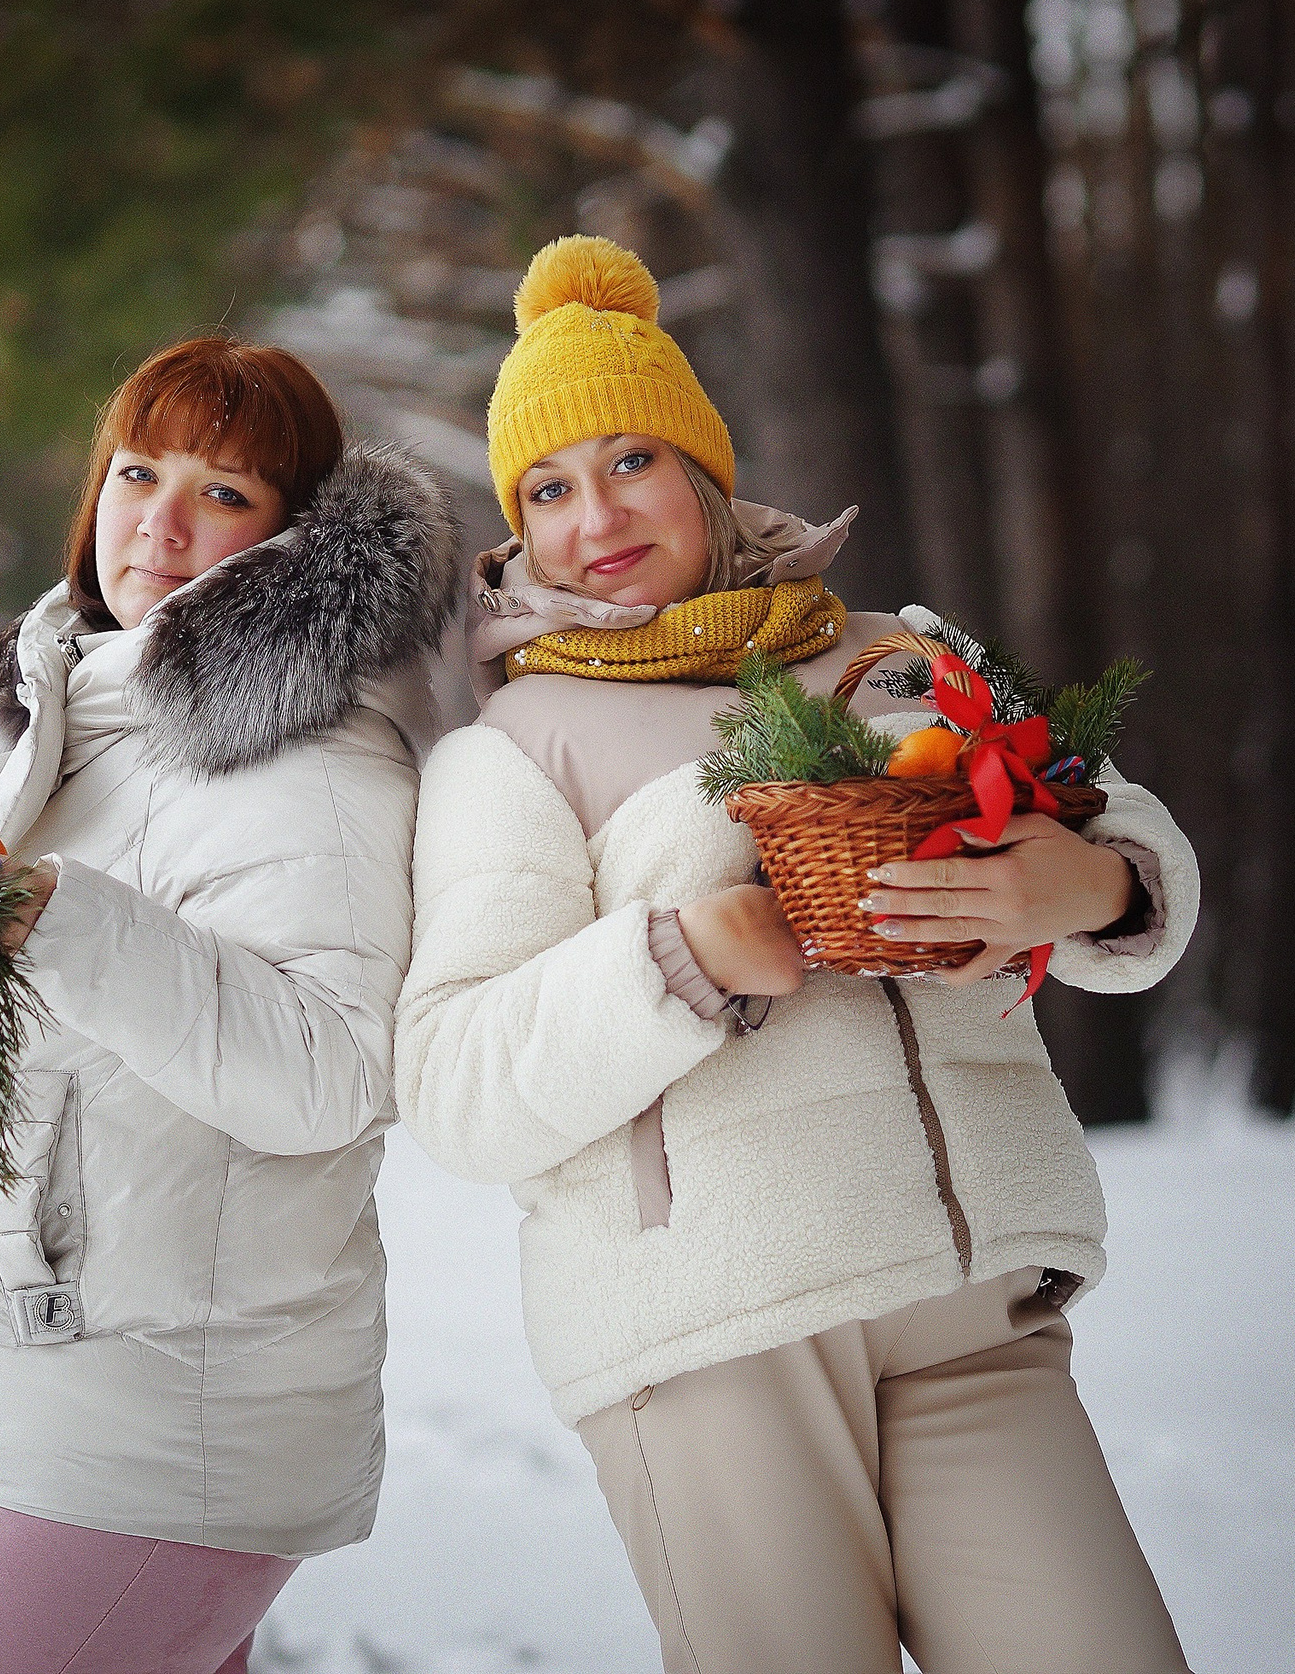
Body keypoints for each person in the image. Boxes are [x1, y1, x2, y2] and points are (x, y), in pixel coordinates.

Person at [395, 237, 1203, 1674]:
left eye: (631, 458)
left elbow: (1113, 818)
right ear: (516, 528)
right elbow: (456, 1082)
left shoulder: (900, 651)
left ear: (702, 466)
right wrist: (681, 958)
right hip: (722, 1346)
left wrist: (1081, 882)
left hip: (972, 1317)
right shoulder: (517, 750)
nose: (597, 515)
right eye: (547, 489)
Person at [0, 335, 460, 1674]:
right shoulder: (35, 742)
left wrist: (69, 920)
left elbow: (330, 1077)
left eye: (224, 492)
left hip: (154, 1421)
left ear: (296, 534)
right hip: (44, 1393)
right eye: (138, 470)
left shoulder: (312, 761)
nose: (162, 520)